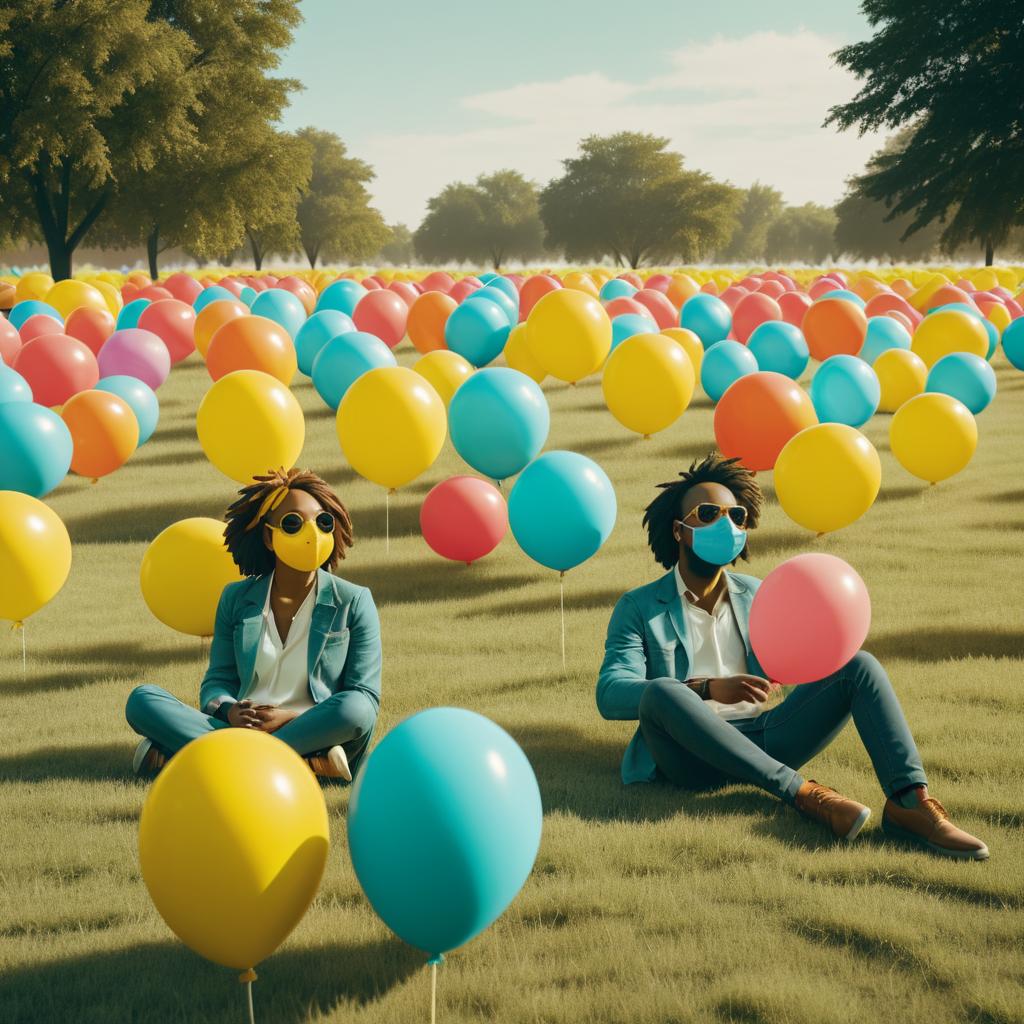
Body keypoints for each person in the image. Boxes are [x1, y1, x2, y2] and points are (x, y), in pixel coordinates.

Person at [596, 452, 988, 860]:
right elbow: (611, 693)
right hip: (688, 755)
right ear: (679, 530)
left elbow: (795, 655)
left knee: (859, 666)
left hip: (765, 735)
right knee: (663, 692)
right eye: (709, 513)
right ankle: (803, 793)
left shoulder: (761, 592)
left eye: (737, 516)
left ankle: (910, 804)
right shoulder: (640, 606)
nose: (725, 525)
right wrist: (708, 688)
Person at [126, 467, 381, 782]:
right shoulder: (236, 598)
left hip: (312, 725)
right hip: (241, 724)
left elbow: (364, 697)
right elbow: (217, 681)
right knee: (142, 700)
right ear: (268, 537)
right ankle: (305, 763)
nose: (311, 533)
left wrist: (292, 717)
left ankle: (193, 754)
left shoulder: (354, 601)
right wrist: (230, 710)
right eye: (293, 524)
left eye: (322, 522)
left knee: (355, 708)